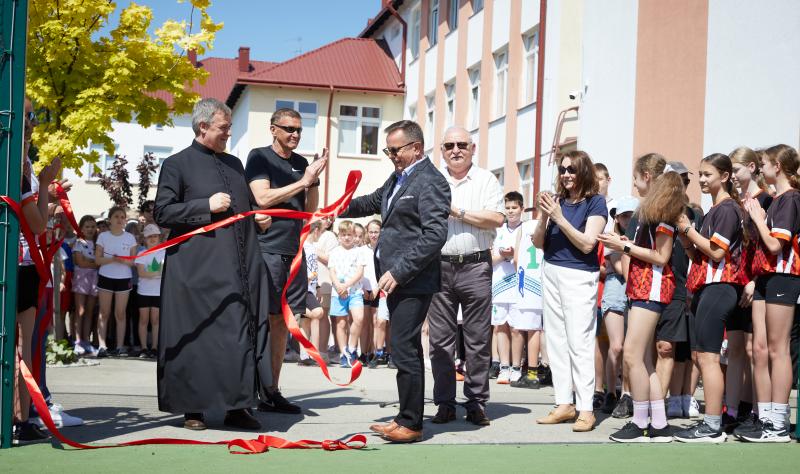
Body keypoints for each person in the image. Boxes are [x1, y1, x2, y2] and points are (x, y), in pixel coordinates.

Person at [154, 97, 272, 431]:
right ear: (203, 126)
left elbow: (239, 210)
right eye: (224, 127)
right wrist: (204, 205)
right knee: (196, 337)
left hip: (235, 269)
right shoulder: (176, 164)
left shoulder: (234, 164)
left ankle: (238, 406)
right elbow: (162, 212)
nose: (228, 133)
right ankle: (193, 408)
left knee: (236, 335)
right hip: (194, 271)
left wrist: (257, 218)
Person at [342, 120, 450, 443]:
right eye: (387, 150)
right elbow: (369, 203)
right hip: (396, 280)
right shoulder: (397, 178)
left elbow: (434, 236)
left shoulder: (431, 181)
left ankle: (411, 424)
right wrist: (334, 209)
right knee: (404, 348)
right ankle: (406, 416)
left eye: (395, 150)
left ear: (416, 148)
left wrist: (400, 271)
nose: (391, 156)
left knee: (404, 348)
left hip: (412, 280)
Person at [245, 107, 328, 415]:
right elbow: (262, 198)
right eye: (289, 129)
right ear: (273, 129)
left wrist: (313, 181)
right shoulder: (259, 157)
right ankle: (248, 389)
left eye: (299, 130)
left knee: (284, 321)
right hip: (266, 249)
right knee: (261, 320)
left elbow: (310, 209)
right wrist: (303, 180)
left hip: (294, 251)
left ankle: (272, 392)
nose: (295, 134)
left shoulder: (301, 164)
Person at [601, 172, 686, 442]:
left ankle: (640, 422)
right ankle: (658, 423)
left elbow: (661, 257)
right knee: (644, 361)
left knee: (632, 355)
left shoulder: (663, 218)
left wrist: (624, 247)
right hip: (644, 288)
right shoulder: (653, 217)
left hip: (652, 288)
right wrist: (625, 244)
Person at [428, 126, 504, 428]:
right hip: (439, 267)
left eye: (461, 144)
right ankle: (445, 403)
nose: (456, 150)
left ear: (473, 148)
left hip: (476, 266)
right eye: (449, 146)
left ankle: (476, 403)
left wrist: (456, 212)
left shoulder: (486, 179)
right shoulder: (433, 180)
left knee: (477, 340)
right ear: (442, 151)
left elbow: (496, 218)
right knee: (440, 343)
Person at [533, 150, 607, 432]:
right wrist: (544, 216)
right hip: (551, 270)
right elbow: (538, 243)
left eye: (571, 169)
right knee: (556, 341)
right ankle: (564, 403)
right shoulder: (558, 202)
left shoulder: (595, 202)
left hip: (578, 276)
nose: (566, 174)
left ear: (583, 172)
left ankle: (586, 408)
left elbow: (588, 244)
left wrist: (559, 217)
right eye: (562, 169)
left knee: (579, 342)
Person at [674, 153, 745, 443]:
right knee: (702, 356)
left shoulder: (727, 209)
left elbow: (716, 252)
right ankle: (712, 423)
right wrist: (685, 237)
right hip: (708, 287)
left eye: (707, 174)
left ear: (725, 177)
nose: (701, 180)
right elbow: (699, 255)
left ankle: (712, 425)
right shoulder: (715, 209)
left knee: (708, 357)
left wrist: (687, 228)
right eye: (700, 174)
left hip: (720, 287)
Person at [737, 144, 800, 442]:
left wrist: (760, 220)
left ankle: (778, 422)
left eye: (763, 164)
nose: (760, 168)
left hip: (784, 277)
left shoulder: (791, 198)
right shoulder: (776, 199)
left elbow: (776, 245)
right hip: (765, 277)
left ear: (778, 166)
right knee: (760, 349)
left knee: (778, 348)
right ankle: (764, 418)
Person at [13, 97, 61, 442]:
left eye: (33, 116)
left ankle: (20, 417)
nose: (31, 123)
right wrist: (44, 184)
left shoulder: (22, 158)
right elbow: (38, 223)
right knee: (21, 344)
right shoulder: (15, 163)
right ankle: (18, 418)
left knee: (23, 344)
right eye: (27, 116)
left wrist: (44, 188)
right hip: (17, 263)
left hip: (24, 264)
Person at [724, 146, 772, 428]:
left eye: (737, 169)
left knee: (755, 349)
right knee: (736, 348)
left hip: (755, 283)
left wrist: (754, 281)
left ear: (752, 168)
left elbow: (768, 245)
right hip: (734, 281)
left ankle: (757, 411)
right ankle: (732, 411)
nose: (732, 175)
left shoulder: (766, 200)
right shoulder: (733, 201)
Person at [600, 196, 638, 414]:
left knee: (631, 348)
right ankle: (610, 392)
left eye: (632, 215)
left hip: (636, 289)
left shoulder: (640, 236)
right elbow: (622, 270)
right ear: (616, 218)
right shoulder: (611, 239)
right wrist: (627, 246)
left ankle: (626, 394)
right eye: (624, 216)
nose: (628, 220)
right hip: (616, 286)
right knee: (616, 346)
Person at [509, 196, 545, 389]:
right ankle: (534, 370)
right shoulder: (549, 226)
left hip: (525, 281)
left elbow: (516, 258)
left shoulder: (524, 226)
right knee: (534, 329)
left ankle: (532, 373)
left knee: (531, 329)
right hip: (539, 280)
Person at [490, 192, 525, 384]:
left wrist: (514, 255)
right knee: (500, 326)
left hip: (519, 285)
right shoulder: (497, 230)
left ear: (522, 209)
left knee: (516, 328)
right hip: (499, 284)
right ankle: (504, 367)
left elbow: (528, 258)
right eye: (508, 208)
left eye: (514, 208)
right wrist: (504, 255)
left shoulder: (526, 230)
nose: (511, 211)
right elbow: (490, 258)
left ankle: (516, 367)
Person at [94, 206, 137, 357]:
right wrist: (112, 259)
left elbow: (133, 262)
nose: (119, 219)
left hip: (124, 278)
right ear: (110, 220)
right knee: (104, 312)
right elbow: (98, 260)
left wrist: (122, 260)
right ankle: (102, 346)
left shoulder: (130, 238)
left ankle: (119, 346)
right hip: (106, 277)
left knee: (120, 313)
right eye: (116, 216)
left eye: (122, 217)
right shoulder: (103, 236)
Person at [328, 220, 368, 367]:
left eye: (349, 235)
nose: (346, 237)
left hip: (355, 291)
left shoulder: (359, 251)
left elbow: (359, 272)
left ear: (354, 235)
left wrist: (346, 285)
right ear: (339, 235)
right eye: (343, 234)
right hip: (338, 292)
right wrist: (339, 286)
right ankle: (343, 353)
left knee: (359, 318)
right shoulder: (334, 252)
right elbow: (332, 271)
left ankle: (351, 349)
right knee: (341, 322)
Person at [135, 224, 164, 359]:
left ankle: (154, 347)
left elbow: (162, 271)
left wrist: (152, 273)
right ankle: (144, 348)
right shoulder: (141, 254)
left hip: (158, 292)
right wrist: (157, 273)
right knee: (143, 320)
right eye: (149, 236)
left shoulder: (164, 252)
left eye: (155, 236)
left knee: (156, 320)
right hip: (144, 291)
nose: (152, 239)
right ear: (145, 239)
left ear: (159, 237)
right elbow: (141, 273)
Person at [72, 215, 99, 356]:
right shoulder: (79, 243)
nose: (90, 229)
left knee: (89, 310)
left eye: (93, 227)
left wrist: (90, 261)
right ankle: (77, 341)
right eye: (87, 227)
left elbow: (98, 261)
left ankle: (86, 341)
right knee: (80, 310)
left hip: (94, 278)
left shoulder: (98, 244)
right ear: (81, 228)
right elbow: (80, 262)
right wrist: (94, 262)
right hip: (81, 278)